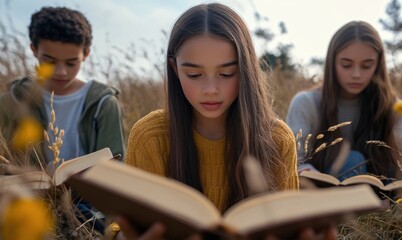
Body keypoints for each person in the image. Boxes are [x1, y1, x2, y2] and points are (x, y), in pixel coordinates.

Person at [106, 3, 336, 240]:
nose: (211, 89)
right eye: (194, 75)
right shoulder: (150, 137)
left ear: (245, 69)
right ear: (175, 69)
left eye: (227, 74)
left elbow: (288, 226)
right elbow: (123, 224)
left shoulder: (276, 139)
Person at [0, 6, 125, 233]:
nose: (61, 72)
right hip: (25, 202)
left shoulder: (103, 104)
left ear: (85, 54)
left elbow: (116, 165)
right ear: (34, 50)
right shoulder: (11, 102)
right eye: (49, 61)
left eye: (71, 62)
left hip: (87, 206)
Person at [286, 21, 402, 181]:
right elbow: (293, 163)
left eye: (366, 66)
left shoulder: (393, 107)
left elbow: (396, 163)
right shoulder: (306, 103)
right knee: (352, 160)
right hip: (323, 195)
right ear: (332, 62)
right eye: (346, 65)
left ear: (378, 65)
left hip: (380, 192)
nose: (356, 74)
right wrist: (312, 175)